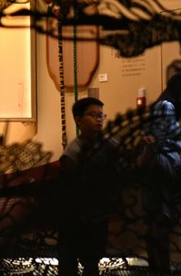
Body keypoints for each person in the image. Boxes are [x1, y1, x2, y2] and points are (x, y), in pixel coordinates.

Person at [56, 97, 120, 276]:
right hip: (76, 217)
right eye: (93, 115)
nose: (99, 119)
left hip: (97, 215)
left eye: (101, 115)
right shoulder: (73, 151)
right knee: (70, 263)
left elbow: (127, 160)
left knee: (92, 263)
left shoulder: (108, 143)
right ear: (78, 119)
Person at [137, 72, 181, 276]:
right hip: (160, 166)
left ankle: (157, 268)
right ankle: (161, 270)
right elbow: (157, 141)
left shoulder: (160, 106)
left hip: (156, 165)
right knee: (161, 220)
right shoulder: (167, 107)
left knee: (155, 220)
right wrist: (142, 163)